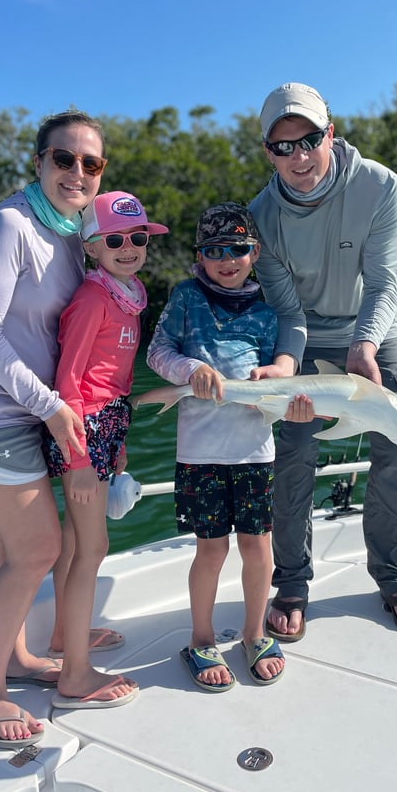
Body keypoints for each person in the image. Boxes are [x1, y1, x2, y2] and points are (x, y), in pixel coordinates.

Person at [0, 110, 110, 748]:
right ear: (37, 162)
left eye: (89, 163)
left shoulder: (69, 233)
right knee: (41, 548)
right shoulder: (7, 226)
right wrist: (50, 406)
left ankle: (12, 658)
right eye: (63, 159)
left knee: (10, 546)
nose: (76, 172)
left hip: (28, 413)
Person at [249, 82, 397, 638]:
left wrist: (364, 346)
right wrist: (286, 364)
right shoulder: (262, 216)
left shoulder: (380, 186)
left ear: (330, 133)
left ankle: (394, 572)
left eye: (309, 140)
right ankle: (292, 581)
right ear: (269, 152)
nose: (299, 157)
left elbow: (383, 285)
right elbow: (288, 311)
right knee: (294, 453)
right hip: (304, 342)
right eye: (284, 147)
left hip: (374, 334)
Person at [146, 203, 287, 690]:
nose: (228, 259)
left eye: (239, 248)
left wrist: (279, 397)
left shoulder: (268, 313)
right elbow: (157, 352)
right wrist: (191, 370)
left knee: (258, 549)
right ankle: (201, 639)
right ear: (199, 256)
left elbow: (276, 381)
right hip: (200, 455)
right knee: (210, 552)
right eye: (214, 250)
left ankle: (253, 633)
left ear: (255, 252)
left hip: (255, 452)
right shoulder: (186, 297)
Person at [43, 191, 168, 709]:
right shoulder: (93, 298)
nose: (128, 247)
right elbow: (68, 380)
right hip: (81, 429)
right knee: (91, 549)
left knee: (76, 542)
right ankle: (73, 674)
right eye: (114, 240)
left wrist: (117, 444)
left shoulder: (129, 292)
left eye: (137, 238)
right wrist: (77, 460)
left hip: (107, 425)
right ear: (91, 247)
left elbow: (114, 380)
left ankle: (61, 637)